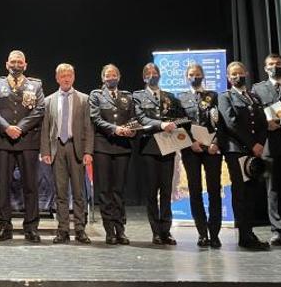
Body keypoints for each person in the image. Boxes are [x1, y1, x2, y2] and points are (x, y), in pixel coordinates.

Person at [0, 50, 45, 242]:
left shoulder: (35, 85)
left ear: (25, 65)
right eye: (13, 62)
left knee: (30, 187)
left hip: (27, 141)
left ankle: (31, 227)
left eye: (19, 62)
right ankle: (4, 227)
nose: (16, 65)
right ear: (6, 64)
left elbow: (39, 110)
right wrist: (6, 128)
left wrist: (19, 128)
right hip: (3, 141)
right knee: (2, 186)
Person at [133, 62, 190, 246]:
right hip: (149, 146)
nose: (152, 75)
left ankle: (166, 230)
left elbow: (182, 117)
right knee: (152, 191)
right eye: (148, 73)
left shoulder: (170, 97)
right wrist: (161, 124)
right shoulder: (138, 96)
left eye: (154, 72)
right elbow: (141, 118)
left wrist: (175, 124)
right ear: (144, 77)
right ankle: (155, 231)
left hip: (168, 146)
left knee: (167, 189)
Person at [217, 61, 270, 250]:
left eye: (240, 73)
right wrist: (252, 144)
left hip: (254, 151)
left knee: (253, 192)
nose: (237, 77)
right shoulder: (225, 97)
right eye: (233, 74)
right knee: (241, 193)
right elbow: (231, 123)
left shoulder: (254, 97)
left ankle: (250, 233)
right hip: (236, 150)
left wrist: (261, 143)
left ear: (246, 73)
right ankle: (244, 235)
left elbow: (263, 123)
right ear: (228, 78)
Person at [40, 63, 94, 244]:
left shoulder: (84, 99)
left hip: (76, 148)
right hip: (58, 148)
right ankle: (62, 230)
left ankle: (80, 229)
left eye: (69, 75)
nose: (66, 78)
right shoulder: (49, 101)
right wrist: (46, 151)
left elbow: (88, 128)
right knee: (60, 193)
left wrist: (88, 151)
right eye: (62, 75)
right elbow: (45, 128)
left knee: (78, 192)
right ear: (57, 78)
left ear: (74, 77)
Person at [251, 53, 281, 245]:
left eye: (278, 64)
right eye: (271, 64)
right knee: (273, 190)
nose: (274, 67)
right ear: (265, 68)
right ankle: (277, 230)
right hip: (270, 143)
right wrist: (266, 122)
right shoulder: (257, 88)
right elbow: (253, 112)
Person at [88, 64, 135, 245]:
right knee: (105, 190)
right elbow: (96, 118)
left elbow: (133, 118)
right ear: (103, 78)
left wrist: (132, 130)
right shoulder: (96, 95)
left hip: (123, 147)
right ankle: (109, 230)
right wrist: (116, 129)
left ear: (119, 77)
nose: (111, 77)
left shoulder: (127, 97)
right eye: (108, 75)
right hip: (103, 147)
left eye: (114, 74)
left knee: (119, 190)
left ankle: (120, 229)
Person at [177, 64, 223, 248]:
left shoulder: (214, 96)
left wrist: (216, 143)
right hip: (191, 149)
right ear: (186, 77)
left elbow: (222, 121)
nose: (194, 77)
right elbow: (180, 123)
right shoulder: (180, 98)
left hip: (212, 149)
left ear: (203, 76)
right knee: (195, 191)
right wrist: (190, 142)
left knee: (214, 191)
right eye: (190, 75)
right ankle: (202, 233)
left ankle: (215, 233)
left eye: (197, 74)